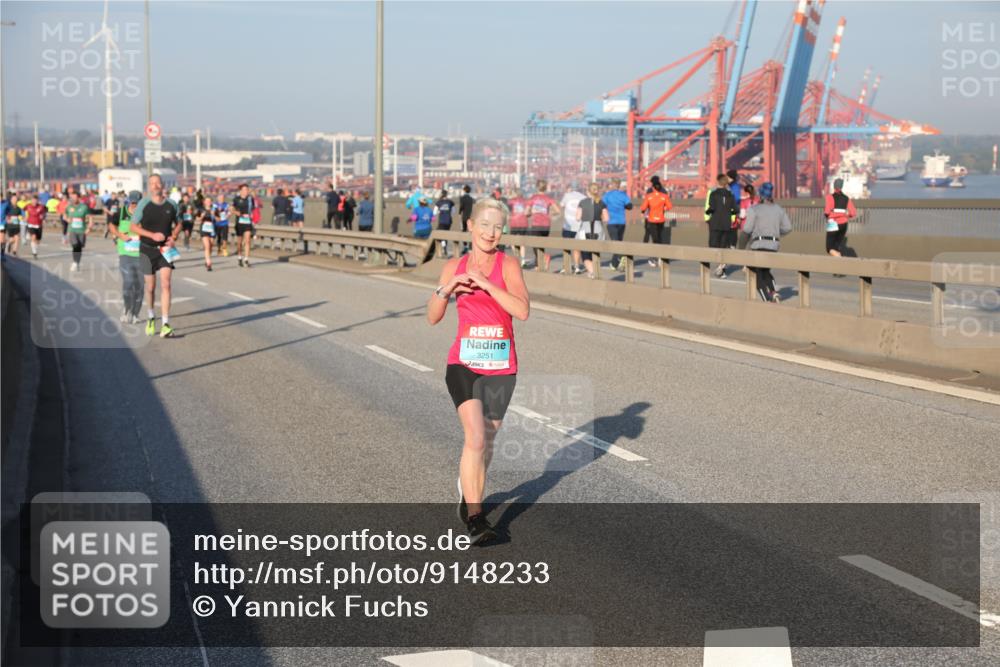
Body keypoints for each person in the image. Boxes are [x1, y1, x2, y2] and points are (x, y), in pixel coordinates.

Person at [426, 196, 529, 544]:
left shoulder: (508, 265)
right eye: (484, 225)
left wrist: (488, 285)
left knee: (488, 442)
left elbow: (522, 310)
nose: (490, 232)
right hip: (464, 365)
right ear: (470, 226)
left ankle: (467, 488)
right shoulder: (453, 266)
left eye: (497, 227)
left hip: (501, 367)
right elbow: (433, 316)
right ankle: (476, 518)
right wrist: (449, 288)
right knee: (476, 437)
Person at [132, 174, 180, 337]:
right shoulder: (143, 204)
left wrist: (173, 237)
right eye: (152, 183)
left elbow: (179, 223)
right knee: (150, 287)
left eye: (158, 183)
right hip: (147, 249)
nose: (155, 186)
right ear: (149, 186)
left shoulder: (172, 204)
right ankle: (151, 316)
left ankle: (166, 323)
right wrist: (151, 235)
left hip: (165, 250)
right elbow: (133, 227)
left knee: (166, 284)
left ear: (162, 185)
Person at [743, 182, 792, 303]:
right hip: (773, 245)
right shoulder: (779, 209)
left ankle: (767, 300)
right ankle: (774, 292)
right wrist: (775, 233)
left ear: (760, 195)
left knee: (758, 274)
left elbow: (747, 229)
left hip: (758, 244)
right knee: (765, 270)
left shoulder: (754, 209)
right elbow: (788, 227)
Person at [107, 191, 144, 323]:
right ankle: (127, 308)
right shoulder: (121, 213)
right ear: (129, 201)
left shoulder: (145, 214)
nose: (134, 205)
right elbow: (111, 224)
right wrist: (119, 235)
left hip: (142, 255)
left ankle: (135, 314)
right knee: (128, 283)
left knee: (140, 286)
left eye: (137, 203)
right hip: (126, 254)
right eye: (132, 202)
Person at [704, 173, 738, 277]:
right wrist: (730, 217)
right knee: (724, 246)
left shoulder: (713, 194)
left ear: (718, 182)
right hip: (726, 223)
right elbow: (735, 210)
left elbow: (711, 207)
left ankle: (719, 266)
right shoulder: (731, 195)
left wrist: (708, 214)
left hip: (715, 223)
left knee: (713, 245)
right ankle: (722, 267)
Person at [575, 182, 609, 279]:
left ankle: (592, 272)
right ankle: (593, 271)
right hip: (598, 228)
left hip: (585, 229)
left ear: (588, 192)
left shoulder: (582, 202)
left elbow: (578, 217)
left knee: (585, 253)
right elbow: (606, 218)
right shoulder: (601, 202)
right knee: (595, 252)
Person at [639, 176, 673, 267]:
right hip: (661, 218)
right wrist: (663, 209)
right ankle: (661, 257)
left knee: (652, 237)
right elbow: (669, 206)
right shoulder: (664, 193)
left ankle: (653, 257)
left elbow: (643, 207)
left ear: (653, 185)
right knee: (659, 237)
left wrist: (643, 213)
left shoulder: (649, 194)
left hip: (651, 218)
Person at [526, 179, 560, 271]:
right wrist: (549, 215)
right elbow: (558, 210)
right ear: (545, 188)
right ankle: (539, 265)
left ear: (537, 187)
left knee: (535, 245)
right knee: (541, 245)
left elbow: (526, 212)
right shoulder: (548, 198)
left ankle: (543, 259)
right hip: (546, 225)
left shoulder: (533, 198)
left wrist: (530, 214)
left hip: (536, 224)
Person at [602, 178, 633, 271]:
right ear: (619, 185)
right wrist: (621, 205)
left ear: (611, 185)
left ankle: (622, 256)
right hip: (621, 222)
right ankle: (614, 264)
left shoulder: (607, 195)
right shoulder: (623, 195)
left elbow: (601, 205)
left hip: (611, 222)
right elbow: (630, 206)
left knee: (615, 243)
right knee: (618, 242)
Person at [824, 177, 857, 258]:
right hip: (844, 225)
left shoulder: (830, 197)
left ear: (834, 186)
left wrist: (827, 216)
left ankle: (840, 259)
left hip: (833, 223)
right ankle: (837, 266)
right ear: (841, 186)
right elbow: (853, 213)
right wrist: (845, 216)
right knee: (836, 246)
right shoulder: (846, 198)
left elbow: (827, 212)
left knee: (829, 248)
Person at [558, 185, 586, 274]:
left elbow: (561, 205)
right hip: (579, 225)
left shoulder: (567, 195)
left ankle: (566, 266)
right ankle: (577, 266)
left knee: (566, 246)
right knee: (577, 247)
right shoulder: (583, 197)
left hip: (568, 225)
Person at [65, 190, 92, 271]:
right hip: (72, 230)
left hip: (81, 230)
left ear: (79, 198)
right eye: (72, 197)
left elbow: (90, 217)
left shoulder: (84, 207)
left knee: (79, 247)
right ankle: (75, 262)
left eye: (75, 197)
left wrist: (89, 228)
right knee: (75, 245)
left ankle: (77, 262)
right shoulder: (69, 207)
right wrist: (67, 219)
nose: (73, 199)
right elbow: (64, 215)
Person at [232, 183, 257, 268]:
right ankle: (239, 257)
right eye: (244, 190)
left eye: (247, 189)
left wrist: (250, 215)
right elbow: (231, 209)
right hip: (239, 222)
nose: (246, 191)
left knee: (248, 241)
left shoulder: (250, 199)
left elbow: (253, 209)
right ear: (241, 191)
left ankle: (246, 259)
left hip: (247, 222)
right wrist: (237, 213)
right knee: (239, 242)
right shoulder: (236, 199)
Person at [506, 188, 530, 266]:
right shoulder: (525, 201)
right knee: (522, 242)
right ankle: (523, 260)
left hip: (514, 223)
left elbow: (507, 211)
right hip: (523, 223)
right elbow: (527, 213)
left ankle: (517, 257)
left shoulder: (511, 201)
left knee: (513, 241)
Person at [434, 189, 456, 258]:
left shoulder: (439, 202)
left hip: (442, 221)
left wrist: (440, 212)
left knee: (441, 235)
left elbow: (434, 213)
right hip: (448, 221)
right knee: (445, 235)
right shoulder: (450, 202)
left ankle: (444, 248)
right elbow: (453, 211)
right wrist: (449, 214)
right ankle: (444, 248)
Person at [736, 183, 759, 250]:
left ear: (745, 192)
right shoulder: (758, 200)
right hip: (756, 227)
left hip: (745, 227)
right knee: (754, 247)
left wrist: (739, 218)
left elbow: (742, 215)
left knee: (741, 247)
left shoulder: (743, 201)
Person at [24, 193, 47, 258]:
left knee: (38, 241)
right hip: (31, 224)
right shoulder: (28, 206)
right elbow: (23, 210)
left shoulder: (41, 207)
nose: (34, 201)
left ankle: (35, 249)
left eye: (35, 200)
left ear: (37, 200)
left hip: (39, 225)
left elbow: (45, 212)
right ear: (31, 200)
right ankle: (34, 252)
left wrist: (44, 218)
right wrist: (25, 217)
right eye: (33, 200)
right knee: (33, 237)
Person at [197, 195, 216, 271]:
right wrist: (201, 216)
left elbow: (219, 219)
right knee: (207, 246)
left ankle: (207, 259)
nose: (208, 202)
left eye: (209, 201)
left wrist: (214, 215)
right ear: (204, 202)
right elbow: (197, 219)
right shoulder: (201, 209)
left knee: (211, 246)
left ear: (211, 202)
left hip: (212, 230)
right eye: (207, 201)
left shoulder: (214, 209)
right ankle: (209, 263)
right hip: (204, 229)